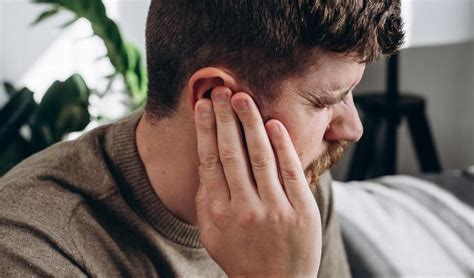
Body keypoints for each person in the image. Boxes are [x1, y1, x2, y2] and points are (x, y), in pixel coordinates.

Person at [0, 0, 404, 277]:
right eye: (325, 100)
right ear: (214, 97)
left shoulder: (296, 186)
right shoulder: (30, 247)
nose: (353, 128)